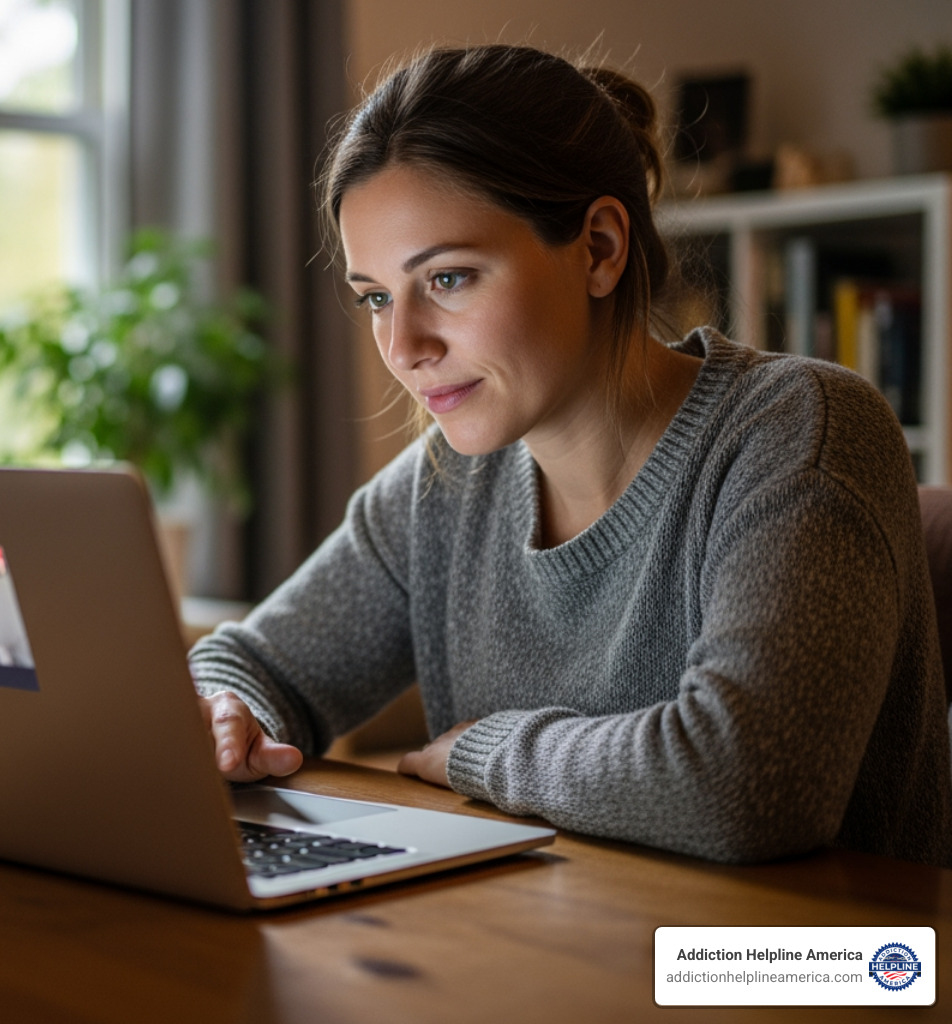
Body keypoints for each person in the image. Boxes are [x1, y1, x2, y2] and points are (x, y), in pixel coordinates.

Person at [190, 43, 952, 866]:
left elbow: (745, 787)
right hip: (564, 951)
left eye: (447, 279)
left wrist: (487, 751)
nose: (402, 345)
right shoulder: (444, 487)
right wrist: (230, 711)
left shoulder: (801, 431)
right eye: (376, 296)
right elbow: (254, 660)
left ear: (598, 248)